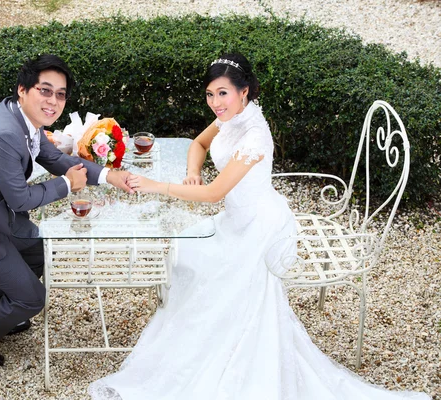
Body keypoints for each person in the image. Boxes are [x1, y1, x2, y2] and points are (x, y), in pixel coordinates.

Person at [88, 54, 430, 399]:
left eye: (223, 93)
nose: (215, 103)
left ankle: (220, 353)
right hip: (237, 218)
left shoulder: (253, 133)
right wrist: (192, 171)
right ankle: (199, 340)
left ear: (244, 92)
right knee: (186, 253)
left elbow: (214, 193)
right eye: (209, 94)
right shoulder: (232, 117)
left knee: (214, 277)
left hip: (260, 225)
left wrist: (153, 185)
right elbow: (198, 144)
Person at [0, 54, 133, 368]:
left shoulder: (23, 118)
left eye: (60, 94)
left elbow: (55, 158)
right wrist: (66, 184)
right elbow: (21, 200)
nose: (53, 101)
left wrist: (107, 176)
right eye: (45, 91)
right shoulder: (5, 133)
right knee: (33, 298)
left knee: (39, 250)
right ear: (23, 89)